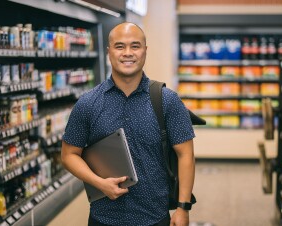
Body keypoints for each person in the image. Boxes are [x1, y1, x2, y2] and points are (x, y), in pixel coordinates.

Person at [61, 22, 196, 226]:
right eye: (119, 46)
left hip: (155, 217)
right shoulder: (88, 103)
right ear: (109, 52)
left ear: (145, 51)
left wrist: (183, 208)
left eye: (135, 46)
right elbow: (69, 155)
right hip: (103, 218)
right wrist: (99, 183)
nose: (128, 53)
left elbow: (185, 154)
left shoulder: (167, 101)